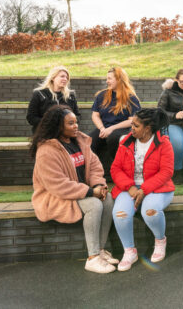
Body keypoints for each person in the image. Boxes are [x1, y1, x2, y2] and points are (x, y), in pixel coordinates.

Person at [30, 105, 117, 274]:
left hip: (79, 191)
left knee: (107, 200)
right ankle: (92, 258)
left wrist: (98, 185)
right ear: (58, 126)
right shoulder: (47, 150)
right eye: (70, 123)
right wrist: (91, 192)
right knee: (94, 204)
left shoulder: (80, 141)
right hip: (55, 195)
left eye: (76, 122)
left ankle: (99, 250)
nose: (76, 126)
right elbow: (57, 184)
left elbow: (94, 167)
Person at [111, 108, 175, 272]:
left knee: (151, 211)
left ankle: (160, 241)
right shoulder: (125, 141)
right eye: (132, 124)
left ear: (147, 128)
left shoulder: (163, 143)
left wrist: (144, 189)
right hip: (129, 187)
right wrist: (131, 187)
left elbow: (166, 172)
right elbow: (115, 169)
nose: (131, 128)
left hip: (157, 188)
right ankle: (129, 251)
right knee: (121, 214)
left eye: (136, 126)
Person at [90, 67, 141, 171]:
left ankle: (118, 169)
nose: (106, 81)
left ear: (119, 79)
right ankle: (94, 172)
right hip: (104, 128)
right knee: (88, 141)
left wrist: (111, 128)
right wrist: (102, 128)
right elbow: (95, 115)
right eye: (107, 78)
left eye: (109, 78)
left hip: (123, 129)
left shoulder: (131, 97)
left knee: (113, 138)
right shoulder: (102, 95)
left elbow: (132, 120)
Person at [26, 66, 80, 133]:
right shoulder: (39, 94)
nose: (65, 79)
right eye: (62, 76)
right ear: (53, 78)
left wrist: (68, 123)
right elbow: (31, 117)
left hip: (66, 133)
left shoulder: (70, 95)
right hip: (44, 133)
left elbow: (77, 116)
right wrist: (49, 124)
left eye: (67, 77)